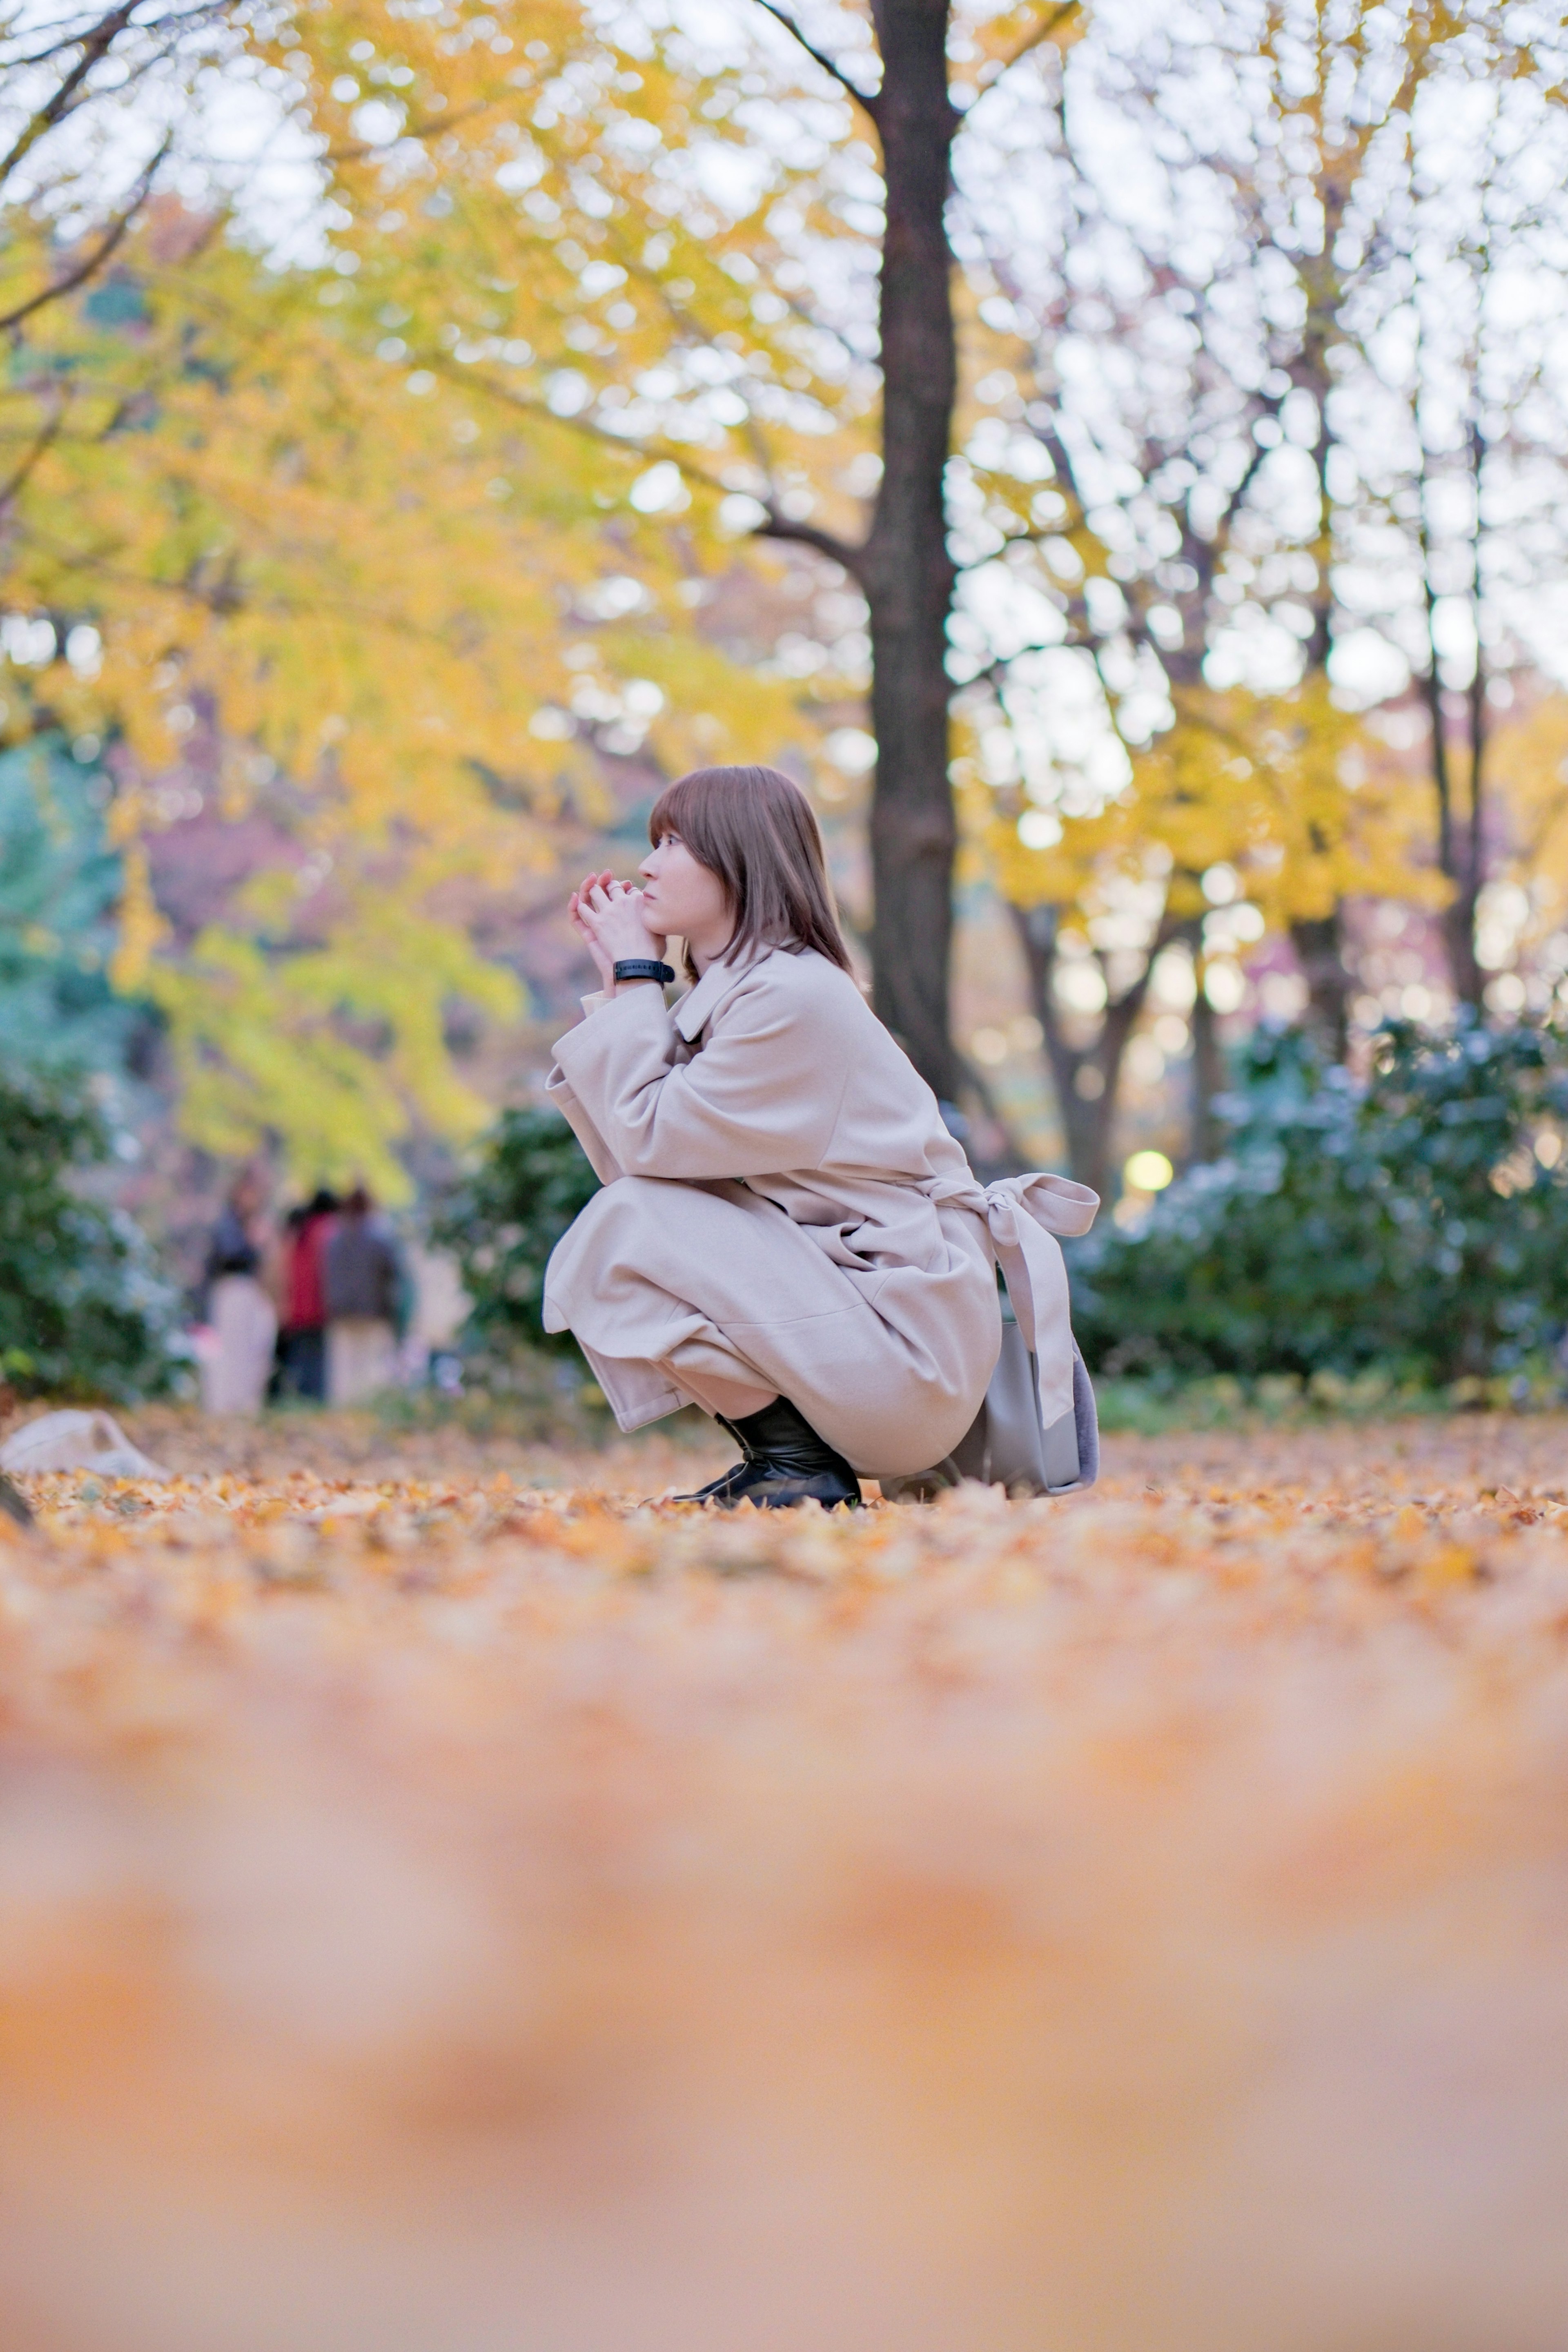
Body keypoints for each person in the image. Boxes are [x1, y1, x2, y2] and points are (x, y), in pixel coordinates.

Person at [543, 763, 1100, 1509]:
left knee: (624, 1227)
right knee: (629, 1229)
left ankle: (800, 1464)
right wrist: (624, 981)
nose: (648, 864)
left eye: (674, 840)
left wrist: (639, 975)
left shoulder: (792, 996)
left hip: (906, 1356)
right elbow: (642, 1160)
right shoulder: (744, 996)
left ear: (740, 856)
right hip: (868, 1329)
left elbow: (645, 1145)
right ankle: (788, 1461)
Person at [200, 1168, 277, 1416]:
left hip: (247, 1291)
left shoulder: (247, 1222)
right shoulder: (229, 1222)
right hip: (231, 1290)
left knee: (249, 1351)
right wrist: (253, 1244)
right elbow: (228, 1256)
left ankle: (242, 1404)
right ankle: (223, 1406)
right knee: (230, 1351)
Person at [323, 1186, 401, 1407]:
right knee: (371, 1370)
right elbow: (393, 1274)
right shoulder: (380, 1239)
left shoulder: (335, 1240)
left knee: (344, 1372)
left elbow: (327, 1277)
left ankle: (345, 1412)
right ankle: (368, 1410)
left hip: (342, 1312)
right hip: (373, 1312)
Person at [276, 1189, 338, 1402]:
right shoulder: (327, 1230)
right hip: (319, 1309)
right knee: (319, 1366)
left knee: (302, 1363)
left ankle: (302, 1402)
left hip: (297, 1310)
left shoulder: (300, 1232)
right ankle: (315, 1404)